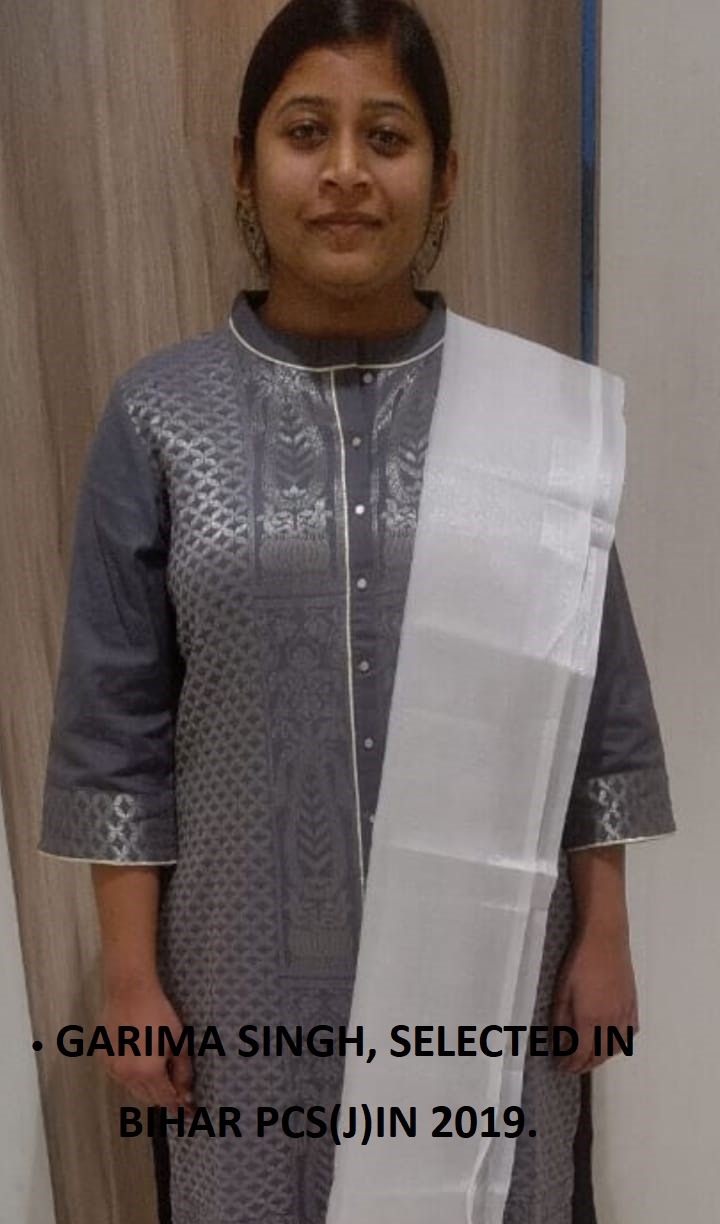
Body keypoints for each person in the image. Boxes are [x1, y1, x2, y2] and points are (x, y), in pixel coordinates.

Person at [38, 2, 675, 1222]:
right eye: (304, 133)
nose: (344, 172)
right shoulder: (160, 417)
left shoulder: (533, 425)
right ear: (244, 166)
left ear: (444, 177)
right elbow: (114, 726)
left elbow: (600, 705)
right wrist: (127, 978)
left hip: (490, 973)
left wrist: (606, 936)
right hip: (237, 981)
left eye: (386, 135)